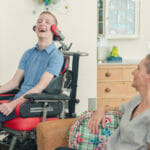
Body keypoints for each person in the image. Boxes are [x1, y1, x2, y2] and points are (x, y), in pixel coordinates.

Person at [0, 11, 64, 126]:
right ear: (35, 28)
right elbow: (14, 83)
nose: (42, 23)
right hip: (18, 100)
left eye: (47, 22)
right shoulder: (28, 54)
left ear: (54, 30)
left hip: (34, 103)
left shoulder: (56, 56)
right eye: (39, 21)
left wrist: (12, 105)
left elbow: (39, 88)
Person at [88, 54, 150, 150]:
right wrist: (100, 110)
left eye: (138, 69)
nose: (133, 72)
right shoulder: (136, 101)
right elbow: (113, 108)